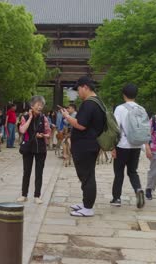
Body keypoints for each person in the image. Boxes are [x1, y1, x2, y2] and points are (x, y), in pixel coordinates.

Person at [61, 76, 105, 217]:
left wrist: (67, 117)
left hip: (85, 145)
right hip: (91, 144)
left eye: (78, 89)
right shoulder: (98, 102)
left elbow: (81, 124)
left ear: (85, 87)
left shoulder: (89, 104)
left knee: (87, 176)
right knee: (87, 175)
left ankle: (88, 208)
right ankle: (86, 203)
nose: (78, 93)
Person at [110, 84, 148, 208]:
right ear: (136, 95)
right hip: (136, 145)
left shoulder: (120, 109)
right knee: (132, 171)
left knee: (119, 172)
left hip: (122, 145)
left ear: (124, 95)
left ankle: (116, 198)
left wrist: (113, 146)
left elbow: (116, 128)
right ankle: (138, 189)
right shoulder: (141, 109)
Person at [16, 96, 51, 204]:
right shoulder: (25, 117)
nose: (40, 107)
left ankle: (37, 196)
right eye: (38, 105)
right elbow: (22, 130)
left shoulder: (44, 118)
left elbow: (48, 133)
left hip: (40, 148)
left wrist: (43, 135)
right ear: (32, 106)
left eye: (42, 105)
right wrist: (30, 118)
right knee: (26, 171)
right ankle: (24, 195)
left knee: (39, 173)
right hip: (28, 148)